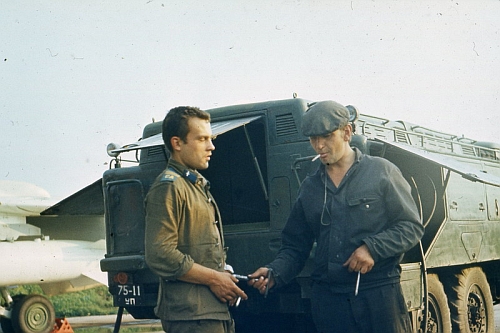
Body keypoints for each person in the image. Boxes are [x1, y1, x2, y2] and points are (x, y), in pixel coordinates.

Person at [248, 100, 424, 333]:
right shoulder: (310, 187)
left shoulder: (382, 172)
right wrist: (275, 272)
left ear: (347, 132)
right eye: (313, 138)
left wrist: (372, 248)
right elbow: (294, 246)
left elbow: (411, 226)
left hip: (378, 295)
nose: (319, 145)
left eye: (327, 136)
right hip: (330, 301)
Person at [145, 106, 247, 333]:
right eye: (202, 139)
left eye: (210, 138)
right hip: (191, 316)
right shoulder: (169, 187)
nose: (211, 146)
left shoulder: (193, 184)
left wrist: (223, 274)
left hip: (207, 311)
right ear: (177, 143)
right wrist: (214, 279)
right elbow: (160, 253)